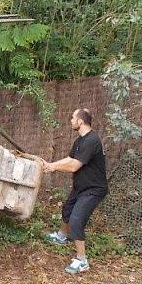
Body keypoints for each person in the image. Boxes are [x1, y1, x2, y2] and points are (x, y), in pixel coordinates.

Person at [43, 108, 107, 274]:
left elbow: (74, 166)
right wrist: (52, 165)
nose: (71, 120)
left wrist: (54, 167)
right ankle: (62, 236)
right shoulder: (80, 140)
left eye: (73, 118)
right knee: (67, 209)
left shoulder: (92, 141)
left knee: (76, 221)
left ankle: (82, 260)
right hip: (81, 187)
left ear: (80, 121)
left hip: (93, 190)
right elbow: (70, 159)